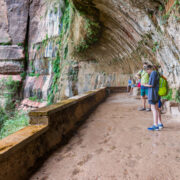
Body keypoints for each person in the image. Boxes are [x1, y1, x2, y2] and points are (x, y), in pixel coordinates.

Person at [143, 65, 163, 131]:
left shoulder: (153, 73)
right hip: (156, 93)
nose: (147, 72)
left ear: (149, 69)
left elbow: (152, 85)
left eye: (147, 71)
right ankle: (158, 124)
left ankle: (155, 125)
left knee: (153, 109)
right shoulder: (156, 73)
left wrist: (144, 84)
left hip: (153, 94)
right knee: (156, 108)